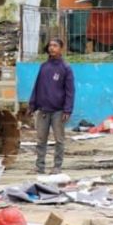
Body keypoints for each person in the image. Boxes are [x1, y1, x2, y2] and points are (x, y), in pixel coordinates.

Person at [28, 38, 75, 175]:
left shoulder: (65, 68)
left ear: (61, 49)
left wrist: (68, 109)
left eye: (55, 46)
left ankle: (57, 166)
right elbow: (37, 87)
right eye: (50, 45)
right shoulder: (44, 67)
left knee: (59, 140)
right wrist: (32, 105)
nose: (52, 48)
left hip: (58, 111)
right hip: (43, 110)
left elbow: (70, 91)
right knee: (41, 139)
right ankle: (39, 166)